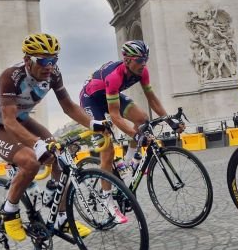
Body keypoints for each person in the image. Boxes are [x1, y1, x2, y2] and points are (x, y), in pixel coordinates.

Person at [0, 33, 104, 242]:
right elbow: (8, 122)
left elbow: (69, 107)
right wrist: (37, 144)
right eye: (44, 61)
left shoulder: (53, 73)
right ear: (28, 60)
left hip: (22, 119)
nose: (50, 66)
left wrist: (93, 123)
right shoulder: (12, 76)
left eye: (54, 60)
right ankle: (9, 211)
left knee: (60, 156)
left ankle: (62, 218)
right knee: (30, 160)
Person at [79, 40, 184, 219]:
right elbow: (115, 116)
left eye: (146, 59)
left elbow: (152, 98)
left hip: (110, 95)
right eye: (139, 60)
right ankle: (106, 198)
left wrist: (170, 120)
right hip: (91, 100)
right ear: (127, 60)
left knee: (142, 118)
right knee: (107, 151)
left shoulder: (142, 71)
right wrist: (136, 135)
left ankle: (129, 160)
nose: (143, 64)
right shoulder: (114, 76)